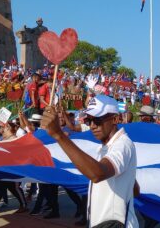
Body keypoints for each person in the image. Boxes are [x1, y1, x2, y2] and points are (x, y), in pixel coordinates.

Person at [41, 95, 139, 227]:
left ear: (115, 119)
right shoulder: (105, 148)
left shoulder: (122, 144)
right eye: (89, 120)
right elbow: (135, 188)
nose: (92, 126)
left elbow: (97, 174)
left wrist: (59, 135)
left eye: (97, 120)